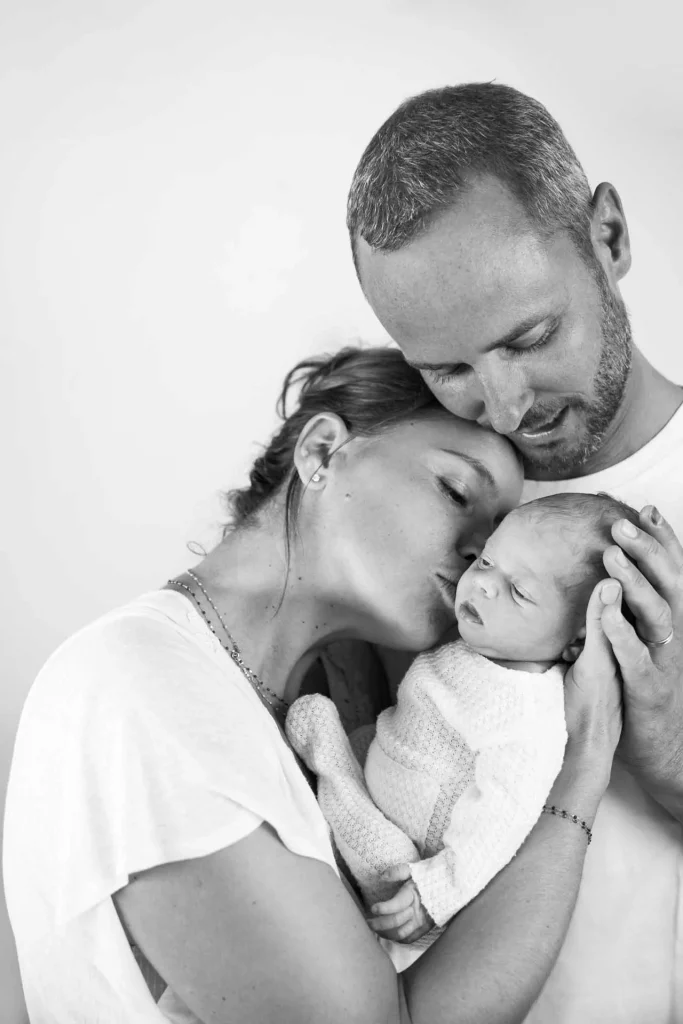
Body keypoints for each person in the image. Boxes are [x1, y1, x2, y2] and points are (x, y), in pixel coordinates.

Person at [3, 346, 624, 1024]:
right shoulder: (142, 684)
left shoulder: (344, 707)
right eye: (455, 491)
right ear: (322, 451)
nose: (482, 555)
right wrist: (584, 761)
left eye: (498, 535)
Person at [346, 82, 683, 1023]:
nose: (503, 408)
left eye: (530, 338)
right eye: (447, 370)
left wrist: (670, 753)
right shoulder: (413, 502)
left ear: (608, 236)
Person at [286, 492, 639, 970]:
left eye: (519, 591)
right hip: (396, 766)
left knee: (376, 844)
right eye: (487, 561)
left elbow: (502, 819)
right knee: (369, 737)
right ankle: (347, 767)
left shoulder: (525, 710)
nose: (484, 584)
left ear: (578, 641)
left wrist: (436, 890)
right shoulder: (488, 646)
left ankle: (332, 767)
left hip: (406, 870)